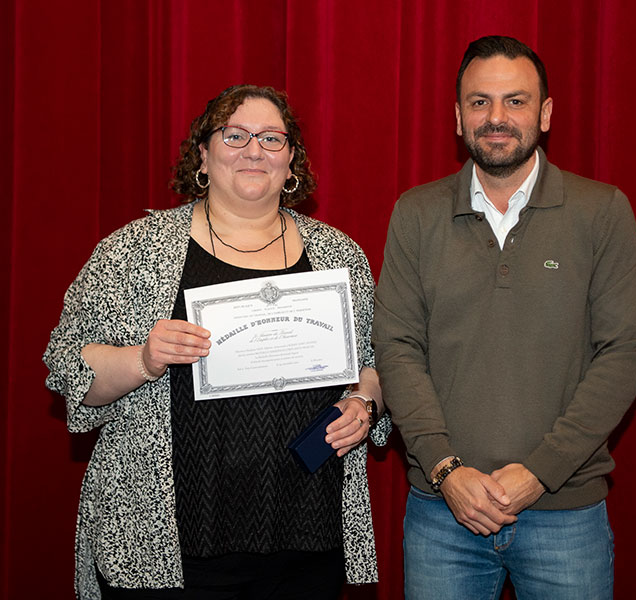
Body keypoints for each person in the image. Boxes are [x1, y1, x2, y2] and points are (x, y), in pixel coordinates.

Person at [44, 84, 390, 600]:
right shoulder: (136, 250)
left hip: (305, 536)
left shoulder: (337, 253)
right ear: (202, 156)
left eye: (272, 138)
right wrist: (143, 358)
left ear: (291, 159)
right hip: (168, 542)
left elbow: (380, 362)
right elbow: (68, 370)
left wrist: (364, 401)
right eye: (234, 135)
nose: (254, 150)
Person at [372, 36, 636, 599]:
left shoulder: (602, 212)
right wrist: (447, 472)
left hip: (565, 515)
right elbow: (397, 348)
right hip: (442, 515)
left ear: (546, 113)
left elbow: (624, 354)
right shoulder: (416, 213)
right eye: (479, 102)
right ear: (457, 117)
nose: (496, 118)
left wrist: (540, 472)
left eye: (515, 101)